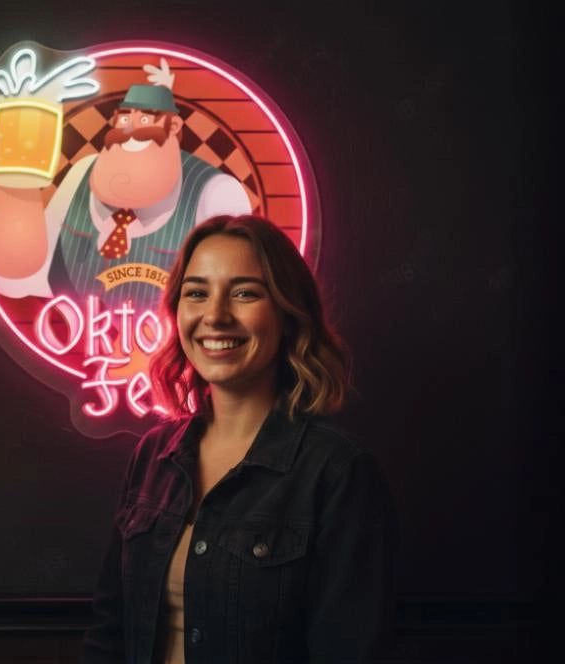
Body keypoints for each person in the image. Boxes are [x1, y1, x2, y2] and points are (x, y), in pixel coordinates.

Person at [82, 215, 402, 662]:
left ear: (288, 315)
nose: (215, 315)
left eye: (244, 293)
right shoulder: (154, 456)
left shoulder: (337, 472)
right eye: (196, 293)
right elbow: (109, 633)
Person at [0, 65, 252, 311]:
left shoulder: (216, 191)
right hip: (71, 338)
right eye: (124, 120)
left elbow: (237, 300)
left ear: (175, 127)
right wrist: (17, 173)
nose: (132, 131)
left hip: (170, 353)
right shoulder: (83, 172)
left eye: (146, 121)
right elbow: (17, 279)